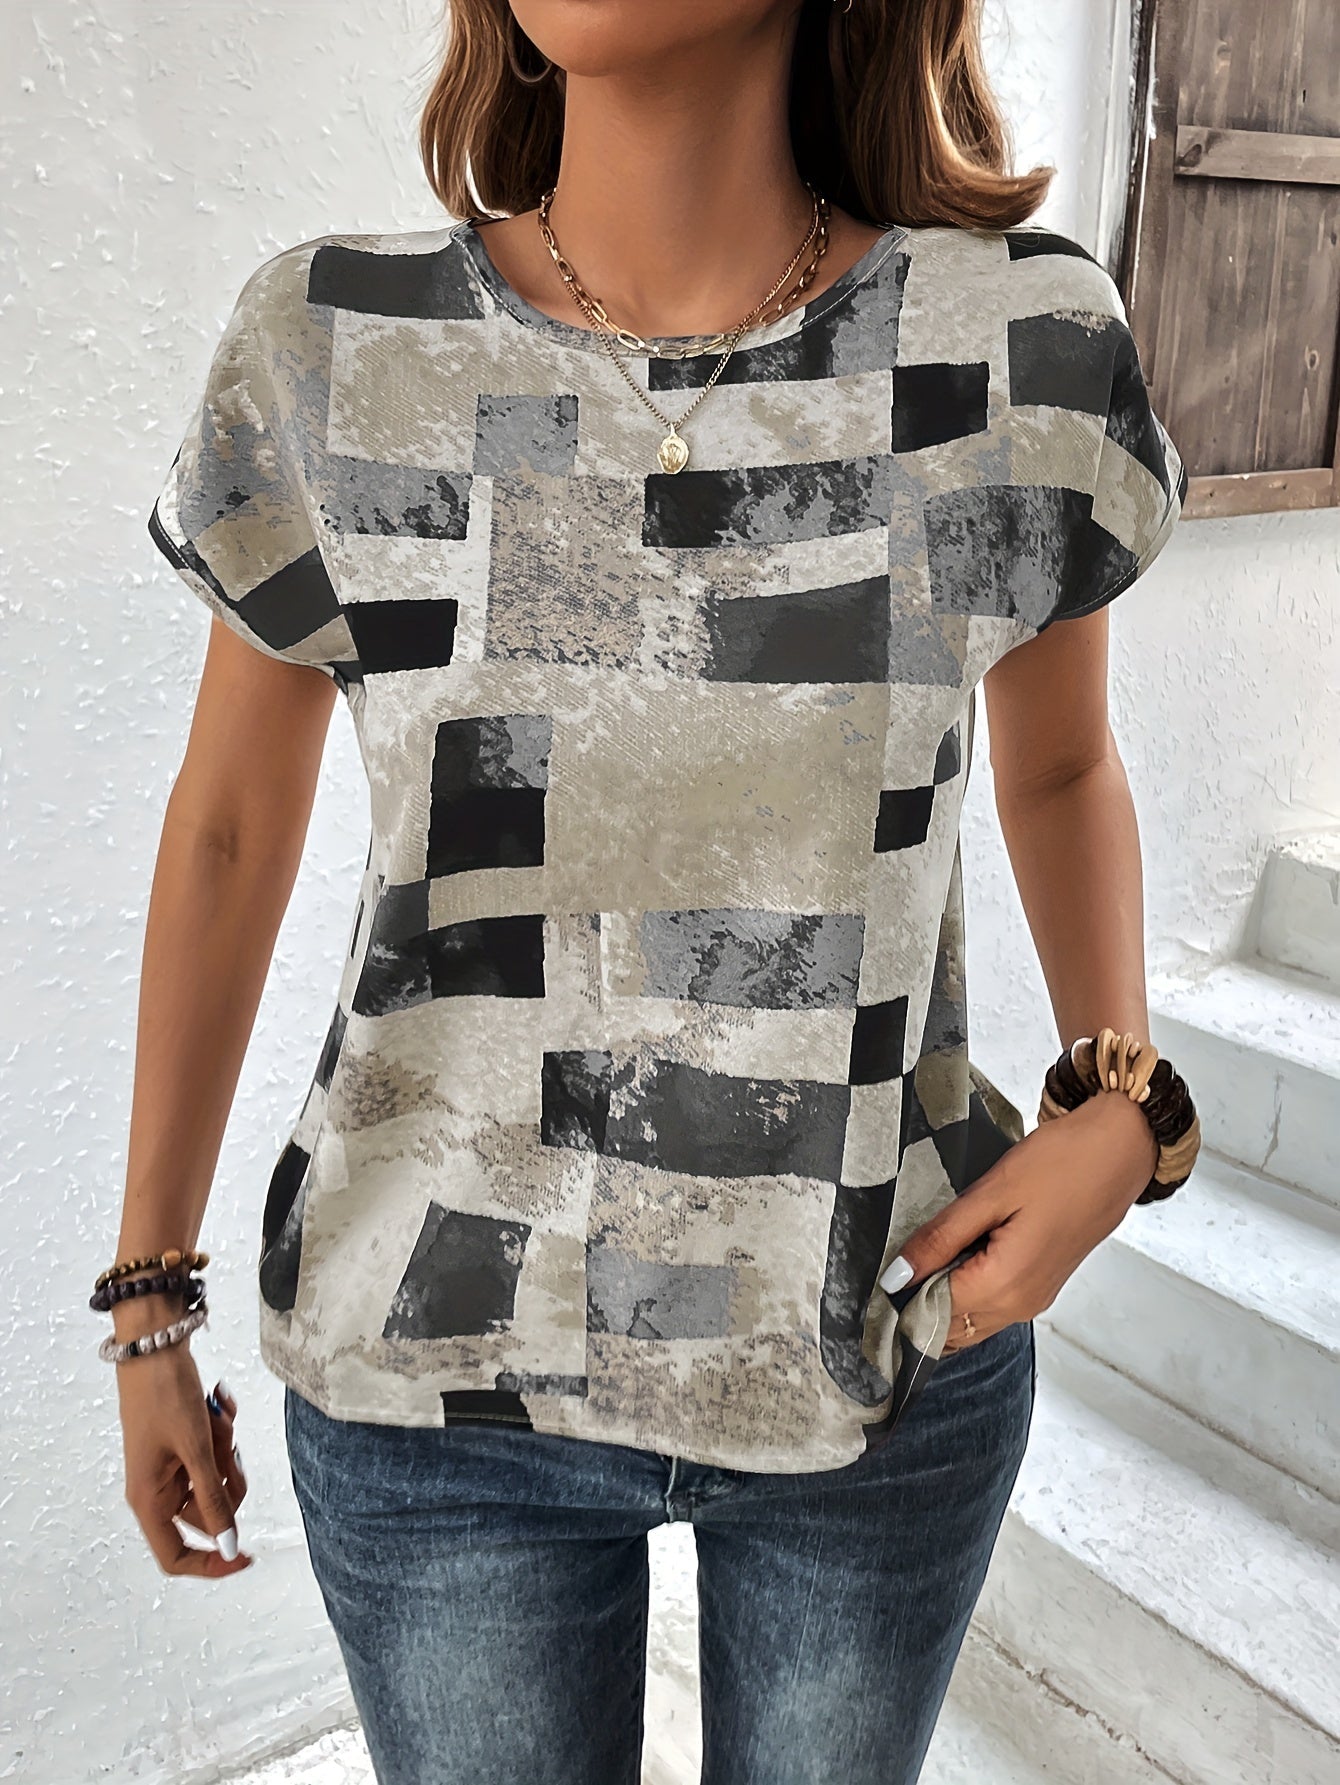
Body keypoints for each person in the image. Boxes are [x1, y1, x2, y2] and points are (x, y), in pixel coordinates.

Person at [102, 2, 1201, 1781]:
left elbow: (1064, 769)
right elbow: (228, 825)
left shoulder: (1019, 349)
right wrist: (149, 1293)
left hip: (874, 1342)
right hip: (436, 1373)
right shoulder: (330, 349)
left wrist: (1120, 1105)